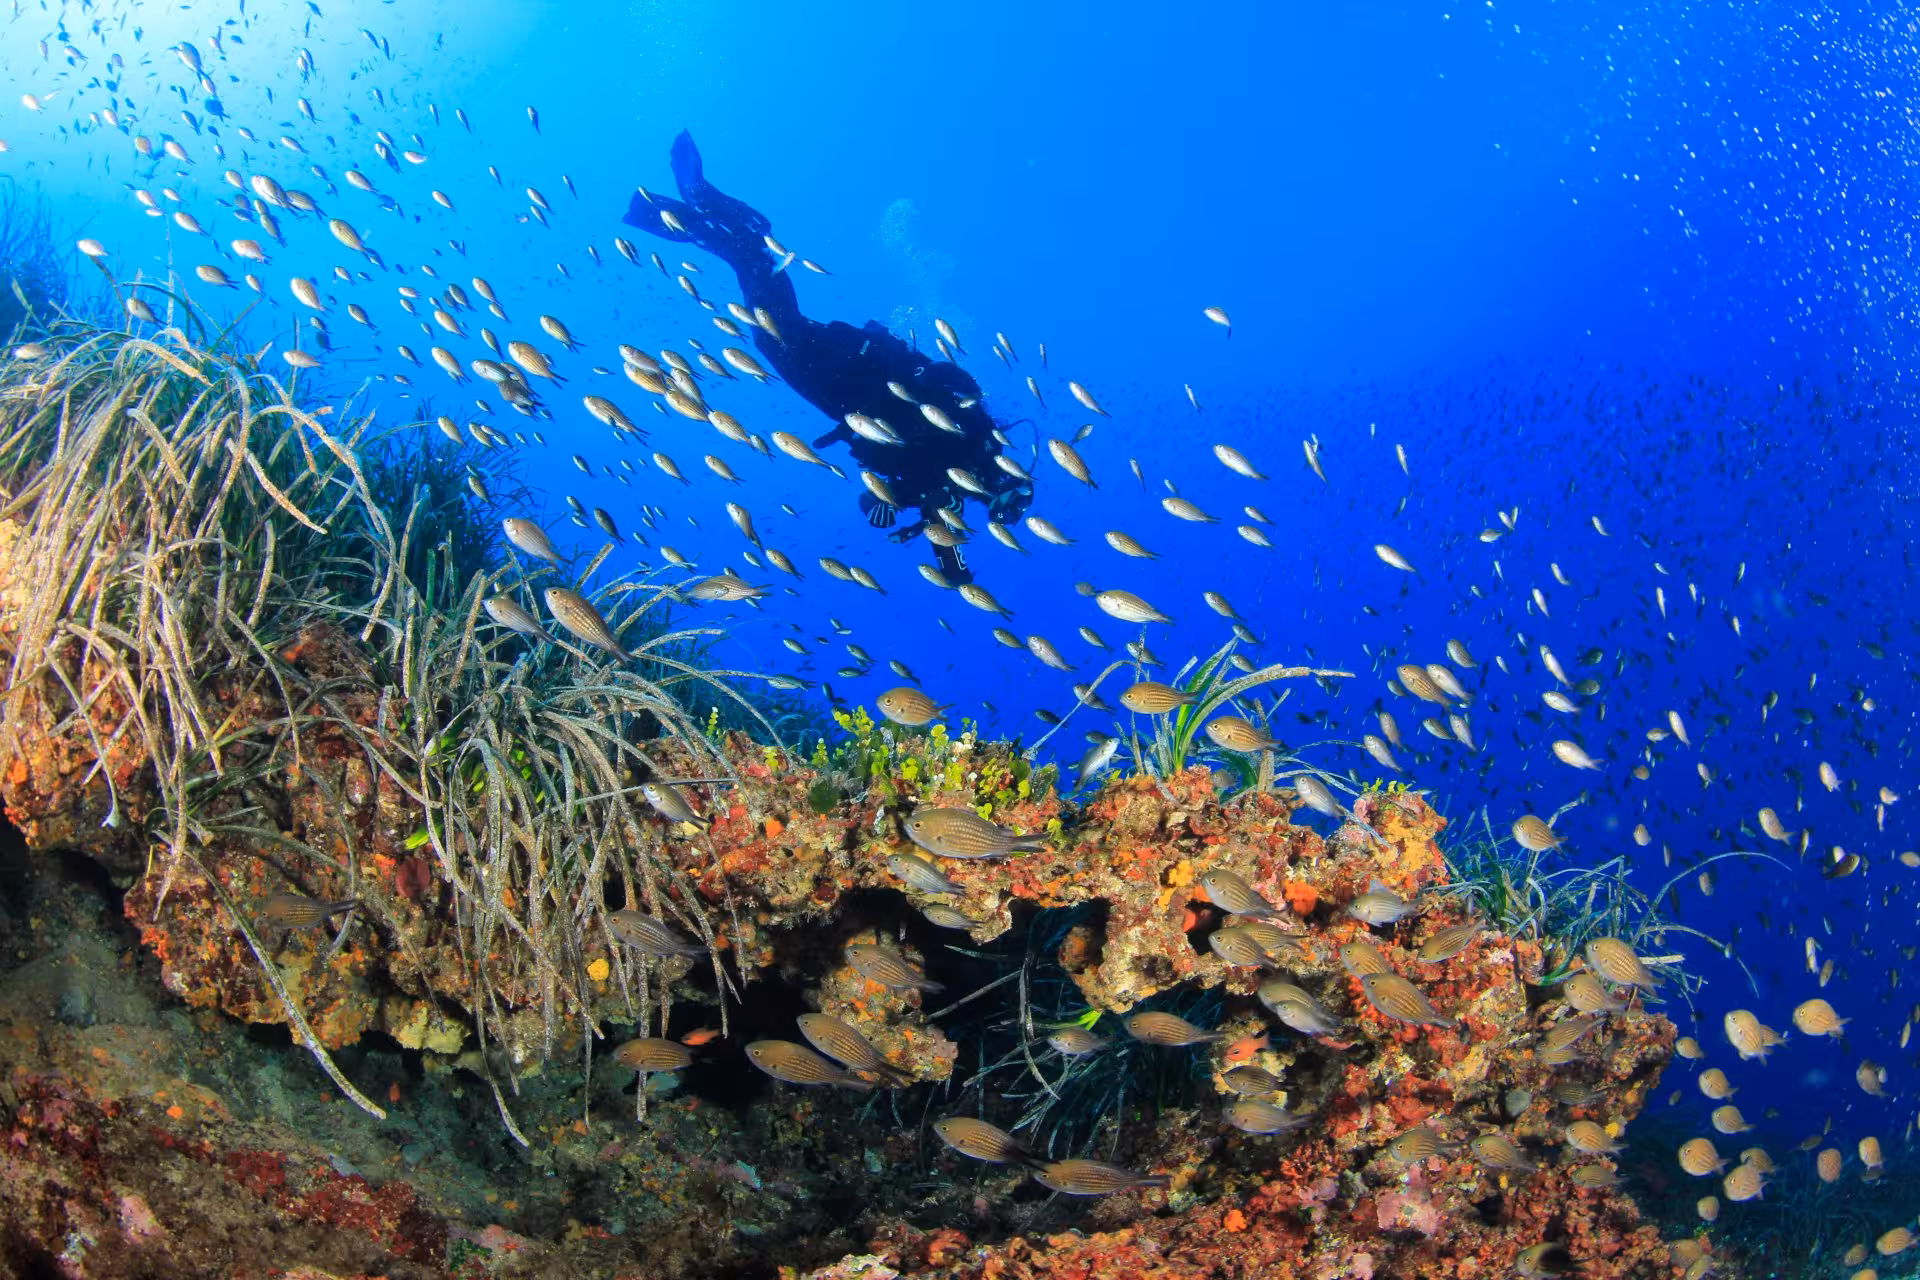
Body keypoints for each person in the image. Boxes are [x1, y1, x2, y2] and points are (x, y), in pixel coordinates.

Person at [623, 131, 1032, 586]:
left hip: (839, 392)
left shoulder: (946, 486)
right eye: (1008, 491)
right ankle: (726, 223)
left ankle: (713, 224)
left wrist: (885, 510)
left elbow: (887, 496)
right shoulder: (971, 431)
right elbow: (945, 382)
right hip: (853, 371)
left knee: (771, 327)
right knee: (773, 323)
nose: (995, 499)